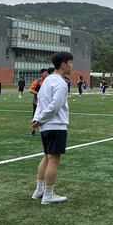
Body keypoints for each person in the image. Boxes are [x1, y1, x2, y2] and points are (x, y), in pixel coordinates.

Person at [31, 51, 73, 205]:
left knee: (47, 157)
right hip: (55, 126)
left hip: (45, 126)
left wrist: (37, 119)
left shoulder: (47, 81)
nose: (71, 66)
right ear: (63, 64)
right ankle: (48, 194)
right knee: (54, 160)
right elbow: (55, 106)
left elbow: (40, 102)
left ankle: (39, 190)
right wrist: (40, 119)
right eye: (70, 63)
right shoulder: (61, 83)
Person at [30, 68, 50, 137]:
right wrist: (38, 93)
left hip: (45, 102)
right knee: (35, 117)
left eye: (47, 73)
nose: (47, 75)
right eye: (45, 73)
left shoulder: (48, 81)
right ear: (41, 74)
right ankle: (33, 130)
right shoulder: (37, 82)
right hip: (36, 102)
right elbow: (30, 90)